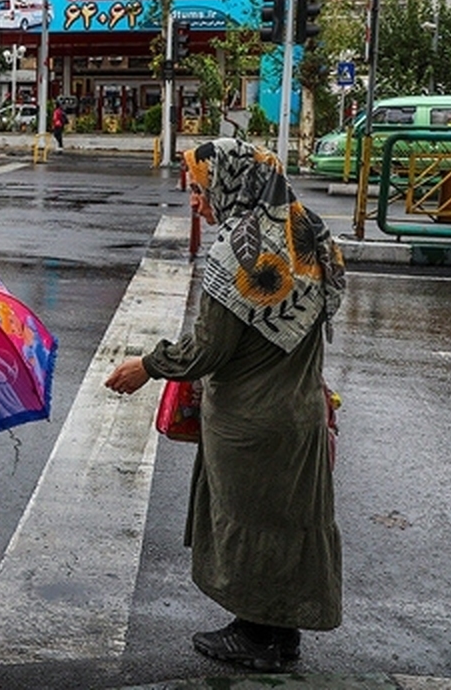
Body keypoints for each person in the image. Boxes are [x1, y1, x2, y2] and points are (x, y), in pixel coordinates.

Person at [104, 137, 347, 673]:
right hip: (300, 410)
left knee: (249, 521)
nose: (195, 201)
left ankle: (257, 639)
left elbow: (210, 348)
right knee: (286, 523)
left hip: (251, 419)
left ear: (232, 182)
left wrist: (147, 365)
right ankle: (276, 632)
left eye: (199, 189)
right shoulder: (309, 231)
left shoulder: (239, 249)